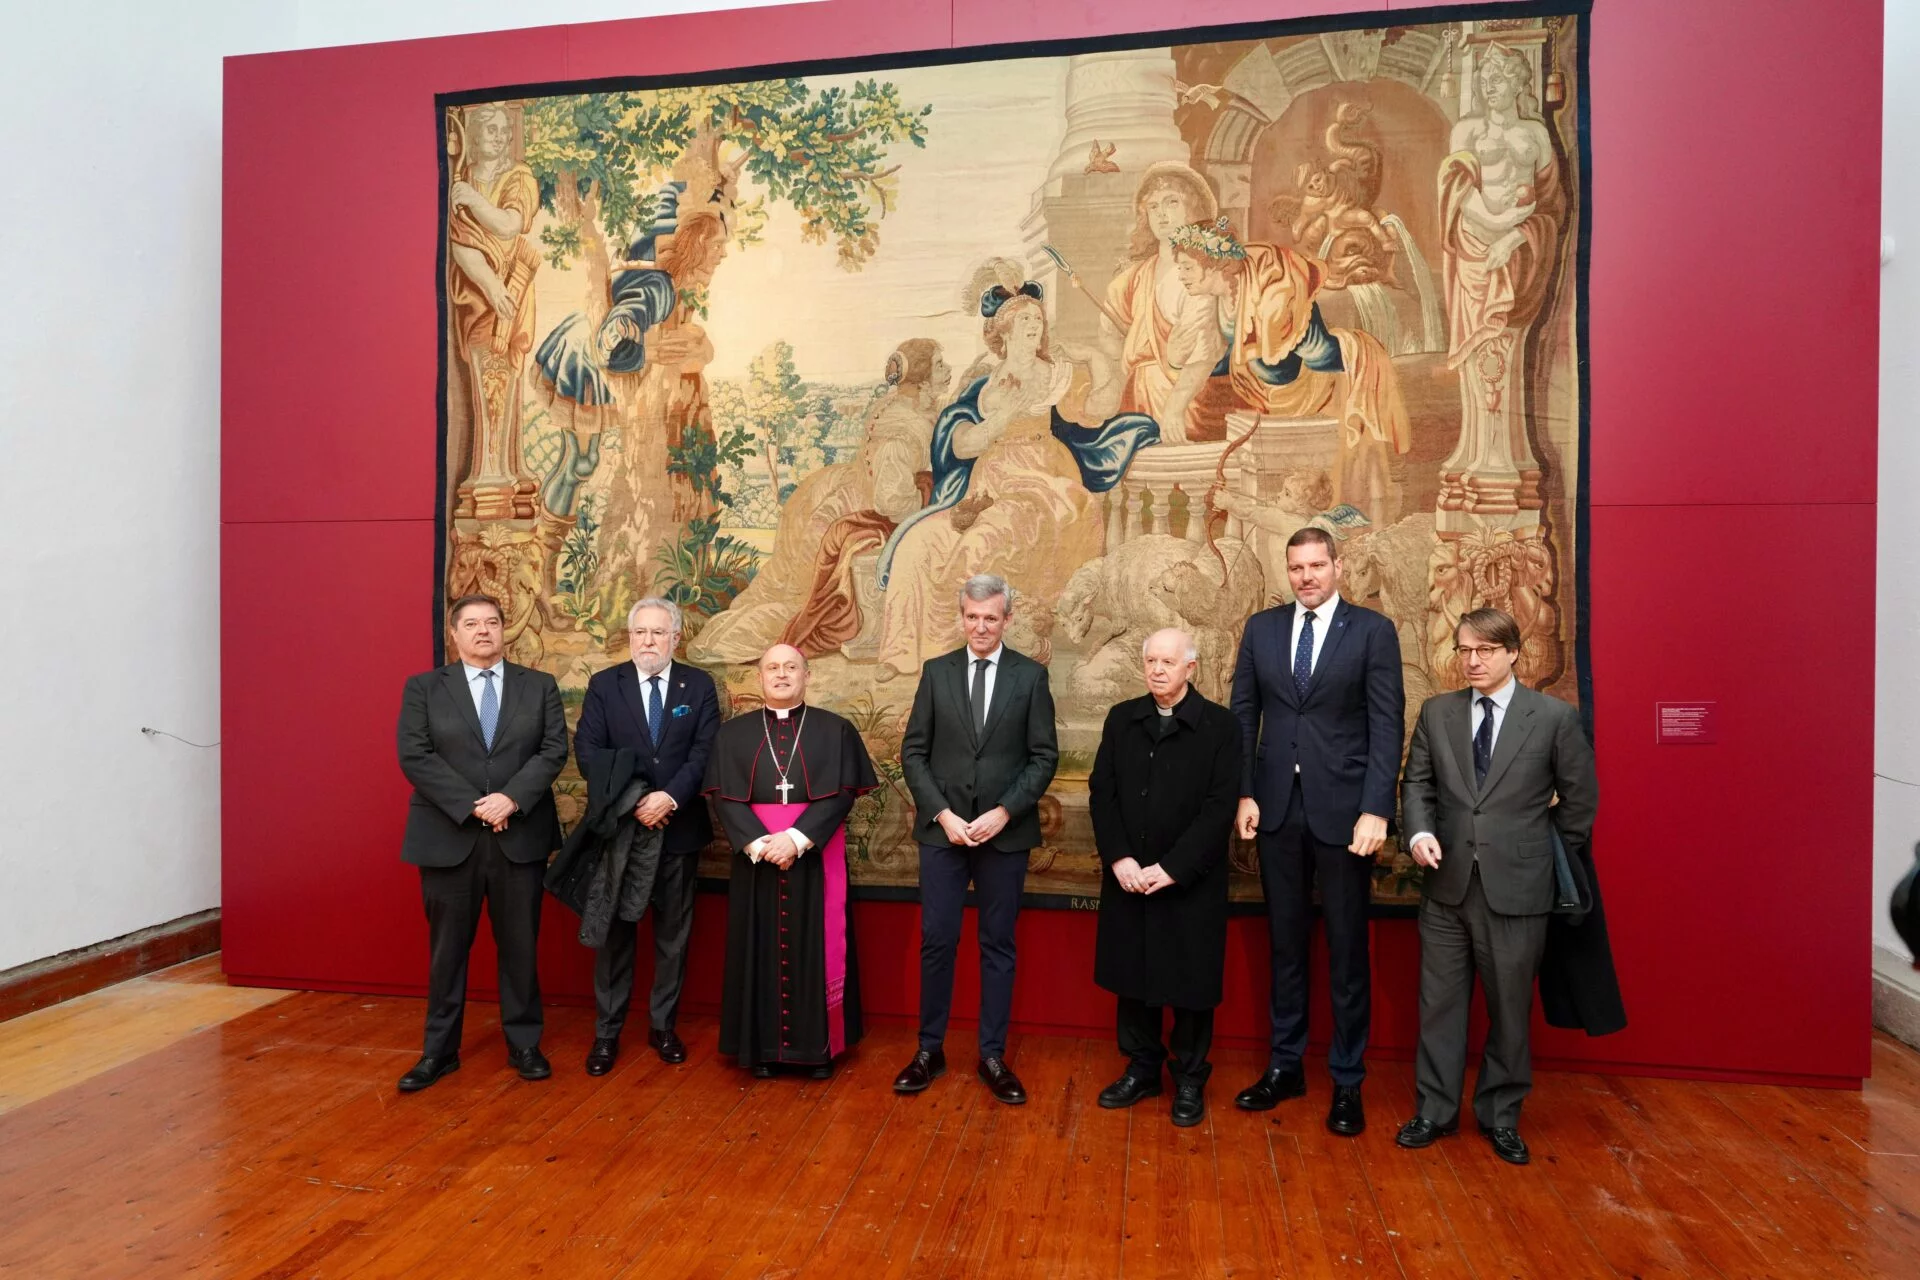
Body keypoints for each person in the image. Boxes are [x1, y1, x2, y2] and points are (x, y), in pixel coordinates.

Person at [1394, 608, 1598, 1166]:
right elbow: (1417, 785)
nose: (1472, 661)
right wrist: (1417, 832)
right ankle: (1434, 1112)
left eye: (1484, 650)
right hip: (1446, 889)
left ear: (1513, 653)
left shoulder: (1553, 719)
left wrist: (1535, 849)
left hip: (1517, 891)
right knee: (1438, 1006)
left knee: (1510, 1010)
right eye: (1464, 650)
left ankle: (1500, 1115)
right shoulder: (1438, 714)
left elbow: (1580, 804)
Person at [1230, 527, 1403, 1135]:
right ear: (1288, 570)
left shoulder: (1373, 632)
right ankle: (1286, 1066)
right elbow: (1244, 715)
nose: (1306, 576)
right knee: (1285, 944)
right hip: (1275, 810)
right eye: (1296, 567)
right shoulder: (1262, 629)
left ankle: (1348, 1081)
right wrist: (1246, 792)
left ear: (1338, 565)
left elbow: (1387, 725)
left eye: (1317, 565)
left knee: (1348, 950)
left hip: (1346, 815)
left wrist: (1377, 807)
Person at [894, 575, 1060, 1104]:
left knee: (998, 946)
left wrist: (1004, 812)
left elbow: (1044, 757)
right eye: (972, 616)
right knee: (938, 941)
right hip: (943, 834)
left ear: (1007, 619)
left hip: (1002, 837)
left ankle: (992, 1055)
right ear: (961, 616)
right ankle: (928, 1050)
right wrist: (942, 814)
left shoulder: (1030, 677)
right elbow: (913, 752)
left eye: (991, 617)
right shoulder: (936, 673)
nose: (981, 626)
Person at [394, 594, 568, 1092]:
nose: (483, 631)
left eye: (492, 622)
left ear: (504, 629)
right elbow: (414, 754)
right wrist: (474, 804)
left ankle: (524, 1044)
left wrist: (511, 798)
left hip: (519, 837)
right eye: (472, 623)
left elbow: (554, 749)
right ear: (455, 634)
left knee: (519, 948)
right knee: (447, 951)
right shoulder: (424, 688)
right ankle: (439, 1052)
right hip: (449, 838)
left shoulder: (539, 687)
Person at [1089, 629, 1240, 1127]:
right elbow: (1102, 794)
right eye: (1150, 660)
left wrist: (1172, 868)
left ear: (1190, 668)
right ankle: (1142, 1069)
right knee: (1133, 976)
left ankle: (1191, 1079)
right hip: (1129, 876)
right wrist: (1120, 859)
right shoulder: (1122, 719)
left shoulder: (1220, 727)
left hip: (1189, 880)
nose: (1157, 670)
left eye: (1167, 662)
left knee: (1191, 983)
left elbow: (1220, 809)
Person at [703, 645, 876, 1078]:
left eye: (791, 667)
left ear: (807, 674)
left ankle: (816, 1051)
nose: (782, 675)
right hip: (756, 857)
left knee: (816, 946)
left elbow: (840, 794)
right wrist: (761, 844)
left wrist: (796, 840)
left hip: (815, 854)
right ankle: (759, 1049)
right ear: (759, 677)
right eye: (772, 668)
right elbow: (724, 797)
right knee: (757, 946)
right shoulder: (732, 735)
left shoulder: (835, 731)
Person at [571, 597, 720, 1074]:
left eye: (658, 633)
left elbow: (705, 751)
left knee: (673, 938)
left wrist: (668, 798)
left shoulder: (698, 685)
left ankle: (663, 1028)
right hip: (621, 832)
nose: (648, 641)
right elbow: (588, 751)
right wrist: (635, 799)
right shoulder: (604, 686)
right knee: (615, 936)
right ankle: (607, 1035)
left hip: (678, 830)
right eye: (640, 633)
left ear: (676, 638)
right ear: (629, 637)